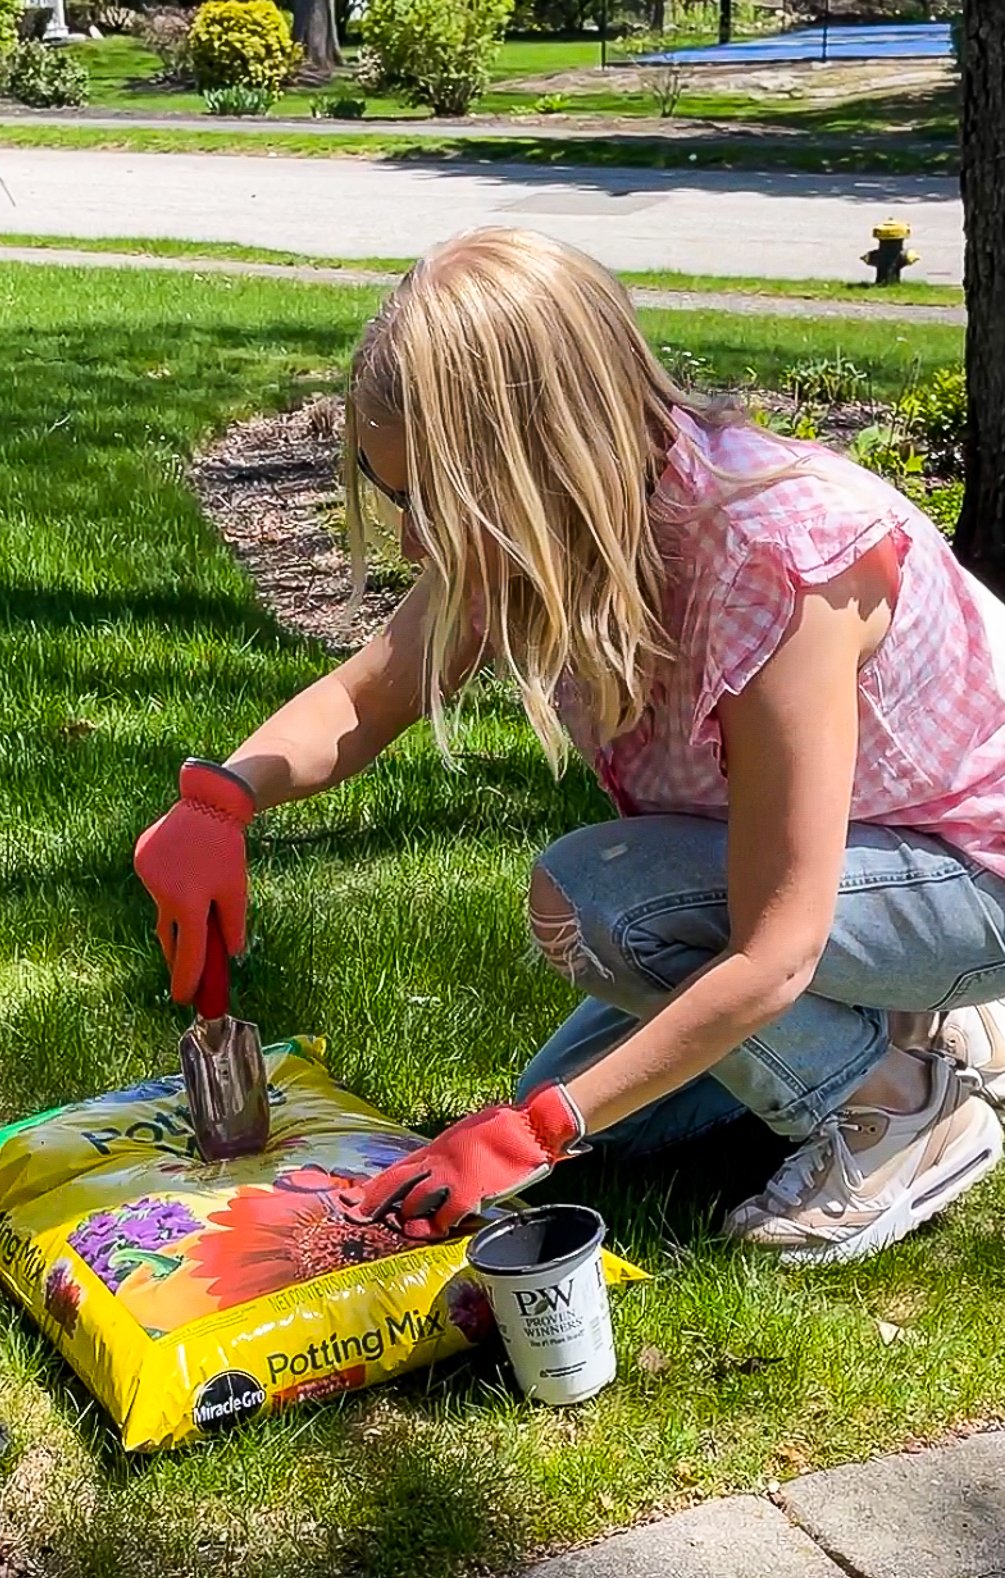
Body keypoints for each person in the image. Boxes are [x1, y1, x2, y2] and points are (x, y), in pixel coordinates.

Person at [135, 228, 1005, 1266]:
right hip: (868, 869)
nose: (416, 541)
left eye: (432, 502)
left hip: (973, 876)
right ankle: (912, 1026)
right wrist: (220, 801)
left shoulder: (777, 561)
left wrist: (531, 1135)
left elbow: (778, 952)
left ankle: (902, 1109)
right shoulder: (545, 526)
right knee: (612, 1121)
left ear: (540, 458)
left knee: (597, 903)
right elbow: (369, 696)